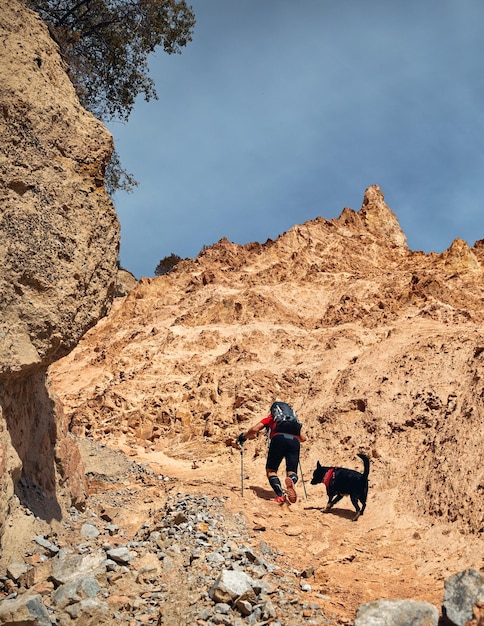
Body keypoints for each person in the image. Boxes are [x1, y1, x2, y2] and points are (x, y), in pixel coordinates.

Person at [236, 402, 306, 504]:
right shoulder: (292, 421)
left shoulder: (272, 418)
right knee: (292, 471)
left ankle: (280, 495)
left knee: (271, 471)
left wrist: (244, 437)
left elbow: (255, 429)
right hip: (294, 441)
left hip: (278, 439)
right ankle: (291, 480)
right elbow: (303, 438)